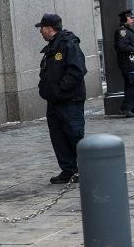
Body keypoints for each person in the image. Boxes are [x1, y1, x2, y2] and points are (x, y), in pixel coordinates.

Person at [36, 14, 87, 184]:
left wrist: (59, 90)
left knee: (74, 135)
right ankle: (69, 170)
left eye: (42, 28)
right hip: (55, 102)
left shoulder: (68, 44)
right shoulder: (52, 47)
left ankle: (85, 169)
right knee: (58, 137)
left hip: (69, 101)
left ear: (50, 28)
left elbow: (76, 71)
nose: (40, 32)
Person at [114, 9, 134, 118]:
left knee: (131, 85)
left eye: (132, 17)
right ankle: (126, 108)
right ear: (124, 18)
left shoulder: (127, 30)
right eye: (130, 17)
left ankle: (131, 108)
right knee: (133, 84)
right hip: (127, 61)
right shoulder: (123, 31)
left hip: (129, 61)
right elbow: (122, 46)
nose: (132, 19)